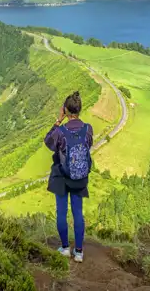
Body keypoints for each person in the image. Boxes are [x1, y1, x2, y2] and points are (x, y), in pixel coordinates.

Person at [44, 91, 93, 263]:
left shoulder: (60, 132)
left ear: (65, 110)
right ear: (79, 109)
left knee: (62, 212)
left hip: (62, 177)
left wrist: (58, 120)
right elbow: (88, 146)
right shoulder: (88, 129)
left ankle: (65, 248)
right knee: (78, 212)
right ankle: (79, 252)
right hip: (79, 177)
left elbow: (48, 142)